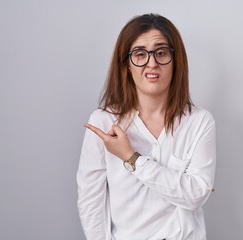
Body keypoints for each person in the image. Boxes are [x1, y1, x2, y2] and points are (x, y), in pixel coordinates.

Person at [77, 13, 216, 240]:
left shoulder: (199, 122)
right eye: (140, 54)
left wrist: (132, 158)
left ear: (176, 60)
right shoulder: (103, 123)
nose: (152, 63)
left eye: (161, 53)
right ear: (126, 65)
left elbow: (195, 196)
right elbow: (90, 200)